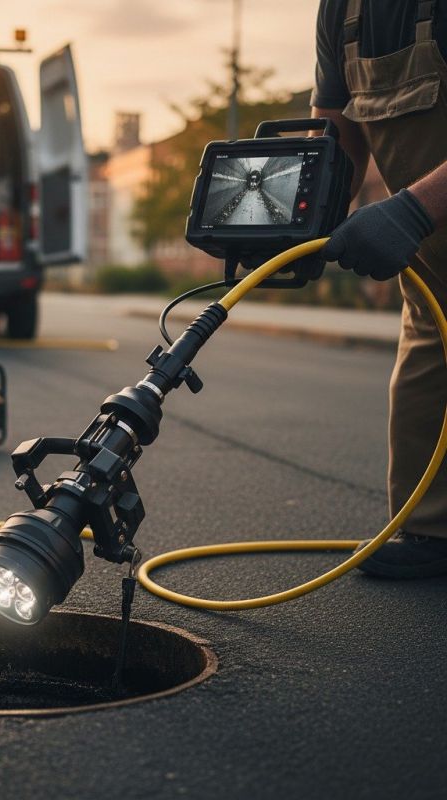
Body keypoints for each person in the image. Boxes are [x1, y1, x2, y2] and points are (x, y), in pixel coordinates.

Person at [312, 0, 447, 577]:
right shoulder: (342, 9)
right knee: (425, 358)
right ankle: (432, 535)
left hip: (425, 225)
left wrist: (414, 210)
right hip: (435, 280)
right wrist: (303, 218)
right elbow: (335, 131)